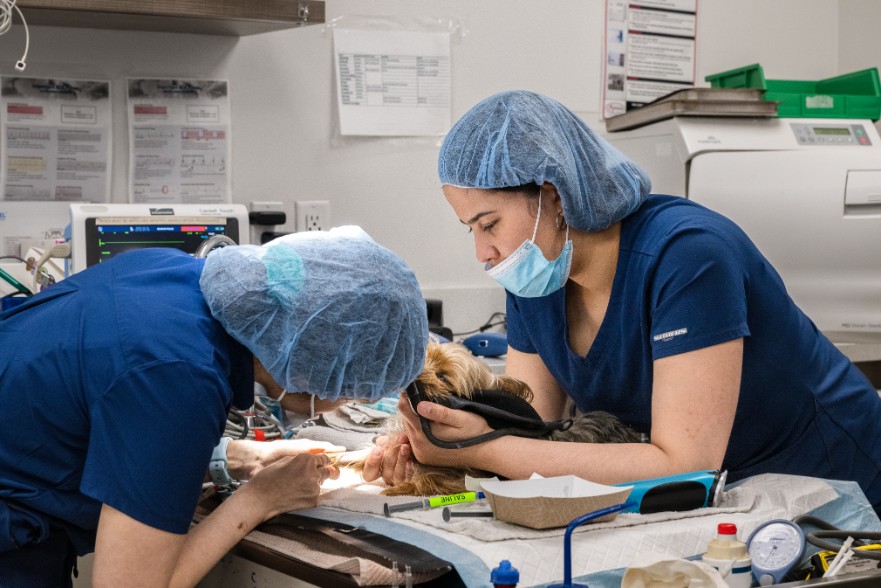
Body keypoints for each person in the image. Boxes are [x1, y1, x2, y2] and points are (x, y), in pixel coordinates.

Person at [362, 90, 881, 516]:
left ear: (554, 196)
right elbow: (532, 427)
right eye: (470, 229)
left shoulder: (688, 257)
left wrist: (476, 447)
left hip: (830, 487)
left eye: (489, 224)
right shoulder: (535, 279)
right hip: (713, 500)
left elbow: (685, 461)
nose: (483, 252)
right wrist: (431, 444)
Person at [0, 226, 428, 587]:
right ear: (313, 356)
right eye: (352, 389)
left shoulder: (173, 275)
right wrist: (259, 500)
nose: (346, 401)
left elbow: (96, 426)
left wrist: (237, 459)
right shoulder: (180, 375)